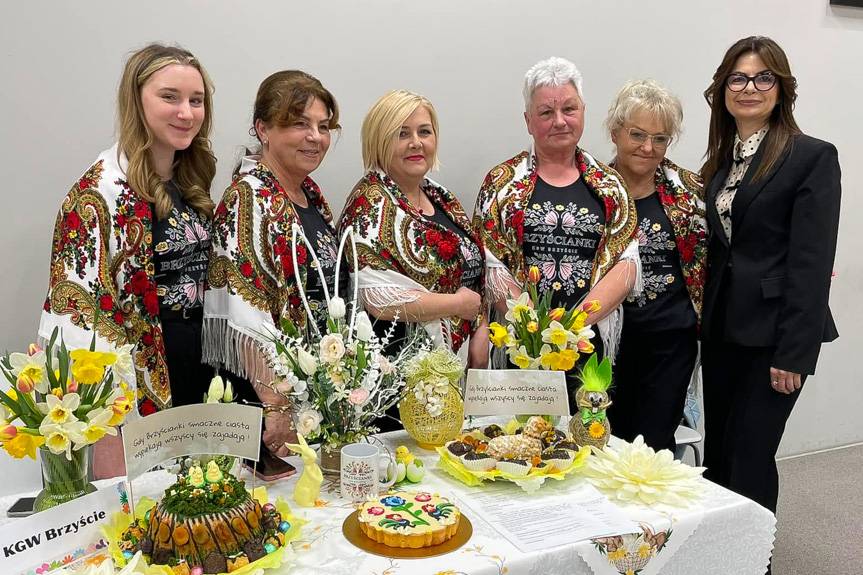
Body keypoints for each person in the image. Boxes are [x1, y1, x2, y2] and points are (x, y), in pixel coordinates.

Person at [700, 36, 841, 514]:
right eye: (737, 78)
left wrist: (794, 354)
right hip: (723, 332)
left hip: (774, 340)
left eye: (764, 78)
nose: (750, 88)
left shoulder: (812, 157)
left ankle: (751, 561)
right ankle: (718, 556)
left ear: (781, 88)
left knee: (749, 457)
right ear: (723, 89)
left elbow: (812, 262)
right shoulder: (721, 162)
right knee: (718, 452)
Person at [39, 43, 216, 415]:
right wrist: (104, 414)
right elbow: (81, 313)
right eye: (170, 97)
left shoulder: (190, 178)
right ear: (136, 100)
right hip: (143, 377)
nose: (186, 113)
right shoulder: (98, 194)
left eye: (196, 100)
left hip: (200, 364)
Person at [474, 57, 639, 414]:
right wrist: (534, 329)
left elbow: (626, 263)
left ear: (583, 112)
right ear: (528, 121)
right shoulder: (502, 183)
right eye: (546, 112)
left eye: (569, 108)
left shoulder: (610, 185)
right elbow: (490, 264)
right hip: (521, 344)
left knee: (587, 445)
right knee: (520, 449)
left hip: (588, 345)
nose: (559, 121)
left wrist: (573, 326)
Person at [203, 70, 344, 480]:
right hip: (263, 411)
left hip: (305, 391)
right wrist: (275, 406)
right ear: (263, 129)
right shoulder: (249, 198)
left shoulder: (309, 195)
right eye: (299, 124)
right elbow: (244, 313)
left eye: (322, 126)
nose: (315, 136)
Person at [338, 89, 487, 373]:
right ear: (379, 141)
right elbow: (379, 299)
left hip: (455, 368)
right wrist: (458, 304)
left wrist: (480, 325)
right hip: (395, 375)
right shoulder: (369, 205)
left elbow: (473, 270)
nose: (416, 143)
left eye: (424, 132)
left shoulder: (441, 197)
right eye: (402, 134)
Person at [604, 80, 708, 452]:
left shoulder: (689, 191)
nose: (648, 148)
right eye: (637, 135)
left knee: (652, 450)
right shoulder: (591, 188)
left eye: (660, 138)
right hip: (605, 344)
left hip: (669, 345)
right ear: (615, 133)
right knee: (599, 445)